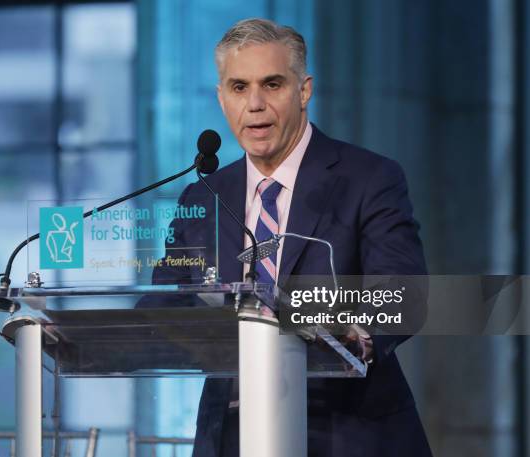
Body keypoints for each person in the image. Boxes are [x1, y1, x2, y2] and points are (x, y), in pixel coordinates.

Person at [152, 18, 432, 457]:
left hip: (345, 431)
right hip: (232, 437)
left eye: (273, 84)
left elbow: (401, 290)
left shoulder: (369, 178)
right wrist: (82, 331)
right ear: (222, 98)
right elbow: (164, 300)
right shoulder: (203, 195)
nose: (256, 104)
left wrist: (357, 330)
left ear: (304, 91)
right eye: (239, 87)